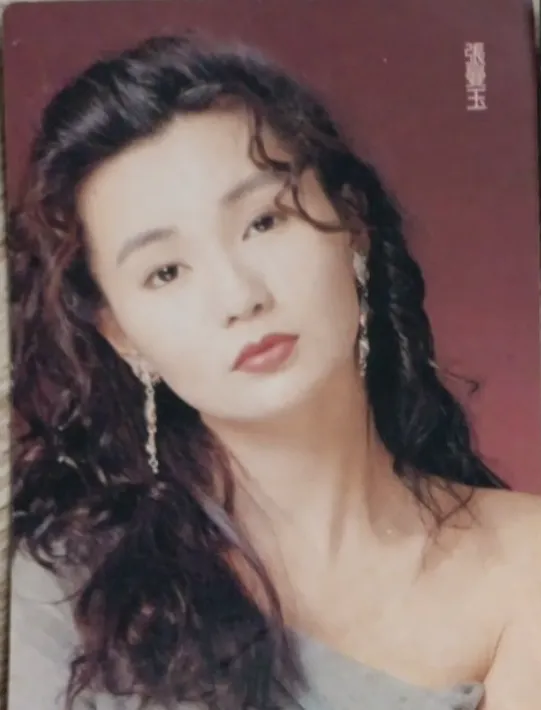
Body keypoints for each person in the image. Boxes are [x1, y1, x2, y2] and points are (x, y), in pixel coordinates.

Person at [7, 34, 541, 710]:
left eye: (263, 222)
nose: (240, 297)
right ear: (120, 334)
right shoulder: (62, 588)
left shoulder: (523, 565)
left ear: (352, 225)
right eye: (166, 271)